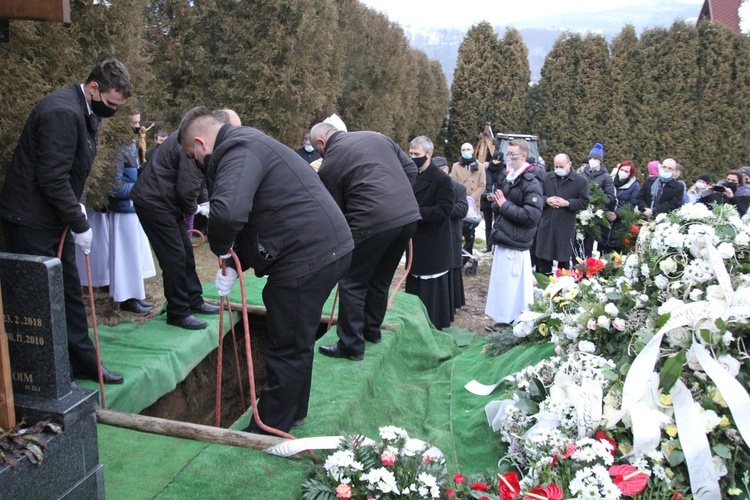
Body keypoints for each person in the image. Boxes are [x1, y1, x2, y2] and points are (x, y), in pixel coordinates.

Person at [178, 107, 354, 434]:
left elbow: (229, 214)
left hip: (309, 254)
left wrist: (219, 247)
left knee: (287, 341)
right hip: (325, 247)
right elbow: (254, 216)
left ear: (201, 143)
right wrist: (233, 264)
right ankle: (293, 412)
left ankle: (270, 424)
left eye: (192, 155)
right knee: (297, 336)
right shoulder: (247, 144)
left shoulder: (236, 150)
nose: (195, 162)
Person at [0, 59, 133, 384]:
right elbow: (52, 178)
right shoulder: (62, 112)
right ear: (93, 88)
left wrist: (78, 210)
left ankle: (84, 363)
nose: (112, 110)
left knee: (69, 292)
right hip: (30, 221)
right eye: (111, 104)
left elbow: (75, 172)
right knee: (40, 300)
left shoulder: (85, 111)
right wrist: (79, 222)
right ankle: (45, 375)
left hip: (55, 218)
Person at [310, 122, 420, 360]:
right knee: (380, 278)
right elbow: (411, 170)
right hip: (408, 217)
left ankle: (351, 345)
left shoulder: (330, 164)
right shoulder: (377, 135)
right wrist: (396, 198)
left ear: (321, 143)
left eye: (318, 151)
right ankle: (372, 331)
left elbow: (335, 209)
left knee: (352, 282)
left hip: (371, 223)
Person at [131, 110, 236, 330]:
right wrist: (196, 208)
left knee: (186, 253)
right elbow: (188, 186)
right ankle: (178, 311)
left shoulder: (198, 136)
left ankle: (194, 300)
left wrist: (205, 202)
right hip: (155, 203)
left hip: (168, 203)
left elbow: (201, 178)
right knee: (174, 257)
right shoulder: (191, 142)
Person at [485, 139, 543, 332]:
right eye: (508, 155)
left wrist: (504, 206)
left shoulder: (531, 181)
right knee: (502, 285)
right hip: (505, 237)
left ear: (524, 156)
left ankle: (513, 321)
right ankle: (502, 319)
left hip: (516, 241)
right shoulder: (511, 177)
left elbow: (531, 216)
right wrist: (497, 204)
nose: (508, 159)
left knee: (513, 287)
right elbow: (504, 204)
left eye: (513, 156)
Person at [108, 110, 156, 315]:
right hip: (123, 211)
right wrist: (140, 189)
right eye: (134, 123)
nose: (139, 127)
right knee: (125, 258)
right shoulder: (116, 148)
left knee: (134, 257)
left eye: (138, 122)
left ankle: (135, 296)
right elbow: (114, 186)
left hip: (132, 208)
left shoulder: (132, 145)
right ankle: (126, 299)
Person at [405, 136, 455, 330]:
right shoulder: (411, 175)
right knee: (414, 288)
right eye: (410, 154)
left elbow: (444, 210)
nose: (412, 158)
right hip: (415, 242)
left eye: (416, 154)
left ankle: (432, 327)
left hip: (433, 244)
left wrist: (415, 212)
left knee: (430, 294)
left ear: (429, 154)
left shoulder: (441, 179)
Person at [534, 153, 591, 275]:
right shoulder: (548, 177)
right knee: (544, 254)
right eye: (556, 166)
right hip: (547, 222)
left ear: (569, 164)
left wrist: (568, 203)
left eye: (561, 166)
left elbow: (584, 201)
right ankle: (543, 278)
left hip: (565, 224)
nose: (558, 169)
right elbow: (537, 195)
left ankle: (563, 282)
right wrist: (546, 200)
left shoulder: (580, 181)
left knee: (563, 256)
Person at [434, 157, 468, 317]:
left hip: (451, 233)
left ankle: (452, 303)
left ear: (445, 170)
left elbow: (462, 210)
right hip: (434, 236)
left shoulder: (458, 188)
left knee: (452, 269)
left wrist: (443, 208)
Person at [452, 143, 486, 262]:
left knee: (470, 233)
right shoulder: (456, 166)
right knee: (457, 231)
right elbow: (453, 183)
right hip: (460, 202)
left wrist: (471, 198)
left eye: (468, 149)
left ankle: (467, 256)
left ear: (472, 151)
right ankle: (457, 256)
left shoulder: (480, 167)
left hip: (473, 205)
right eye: (463, 149)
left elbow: (482, 186)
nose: (466, 151)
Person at [600, 161, 641, 254]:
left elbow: (632, 203)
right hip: (605, 220)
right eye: (621, 170)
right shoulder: (609, 180)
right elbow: (602, 196)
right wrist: (606, 212)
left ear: (630, 174)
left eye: (626, 171)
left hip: (621, 224)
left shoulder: (634, 186)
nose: (622, 172)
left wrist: (617, 214)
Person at [482, 151, 504, 253]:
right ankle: (488, 245)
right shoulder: (486, 170)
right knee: (487, 224)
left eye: (498, 160)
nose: (496, 162)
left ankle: (496, 245)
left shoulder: (504, 171)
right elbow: (482, 185)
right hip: (487, 200)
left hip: (498, 201)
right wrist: (486, 195)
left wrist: (498, 196)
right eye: (494, 159)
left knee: (497, 224)